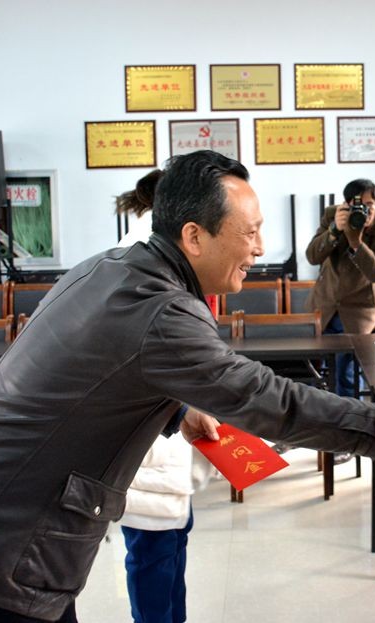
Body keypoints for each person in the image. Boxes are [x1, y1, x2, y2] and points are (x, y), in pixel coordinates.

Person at [0, 151, 375, 622]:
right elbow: (267, 400)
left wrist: (179, 410)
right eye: (249, 233)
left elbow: (103, 369)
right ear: (193, 236)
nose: (260, 249)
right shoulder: (163, 311)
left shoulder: (112, 266)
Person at [115, 178, 214, 623]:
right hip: (150, 439)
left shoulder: (167, 254)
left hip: (170, 436)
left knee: (170, 550)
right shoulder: (140, 259)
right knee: (153, 557)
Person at [303, 178, 375, 462]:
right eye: (358, 204)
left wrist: (356, 242)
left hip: (357, 312)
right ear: (346, 204)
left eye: (370, 204)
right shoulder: (332, 216)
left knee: (346, 373)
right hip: (324, 306)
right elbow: (312, 256)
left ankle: (348, 439)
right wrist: (335, 230)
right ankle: (313, 431)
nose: (364, 210)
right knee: (314, 372)